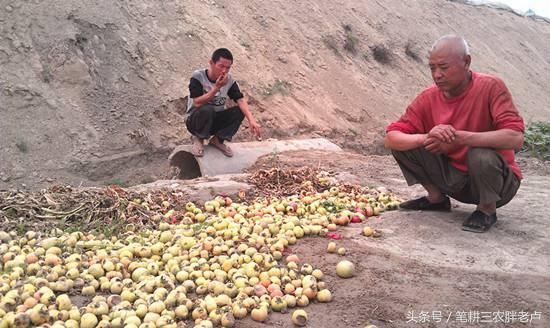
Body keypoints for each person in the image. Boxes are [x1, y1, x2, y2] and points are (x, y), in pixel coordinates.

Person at [384, 35, 525, 233]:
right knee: (406, 144)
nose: (437, 74)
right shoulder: (428, 97)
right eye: (432, 68)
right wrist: (426, 138)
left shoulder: (491, 87)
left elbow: (516, 138)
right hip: (456, 180)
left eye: (443, 67)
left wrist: (460, 138)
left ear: (466, 62)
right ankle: (436, 200)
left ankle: (486, 210)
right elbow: (391, 138)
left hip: (499, 184)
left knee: (480, 153)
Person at [185, 48, 261, 157]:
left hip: (214, 120)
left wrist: (251, 120)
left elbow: (239, 99)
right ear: (211, 63)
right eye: (221, 66)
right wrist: (216, 88)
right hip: (195, 121)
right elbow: (197, 102)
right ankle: (198, 138)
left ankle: (218, 140)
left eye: (228, 67)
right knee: (207, 109)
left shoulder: (229, 80)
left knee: (239, 110)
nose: (224, 71)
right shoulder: (198, 77)